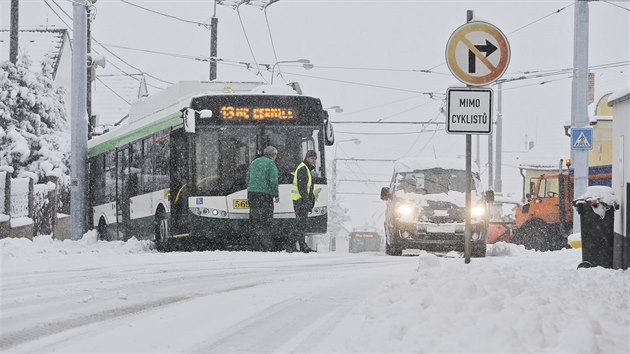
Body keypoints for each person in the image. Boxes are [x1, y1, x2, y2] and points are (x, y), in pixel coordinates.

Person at [246, 146, 279, 251]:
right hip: (265, 194)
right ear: (272, 155)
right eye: (275, 155)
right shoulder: (271, 164)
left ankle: (255, 244)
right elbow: (273, 180)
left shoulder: (254, 162)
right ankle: (266, 245)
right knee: (266, 220)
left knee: (254, 219)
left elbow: (247, 178)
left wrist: (252, 187)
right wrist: (275, 194)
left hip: (252, 193)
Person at [289, 150, 318, 253]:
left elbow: (308, 187)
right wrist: (306, 200)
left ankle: (302, 245)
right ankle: (290, 245)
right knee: (300, 224)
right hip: (299, 200)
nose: (313, 160)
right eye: (311, 158)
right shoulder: (303, 168)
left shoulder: (306, 168)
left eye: (314, 158)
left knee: (301, 224)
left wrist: (310, 199)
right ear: (307, 158)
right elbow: (302, 187)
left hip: (301, 199)